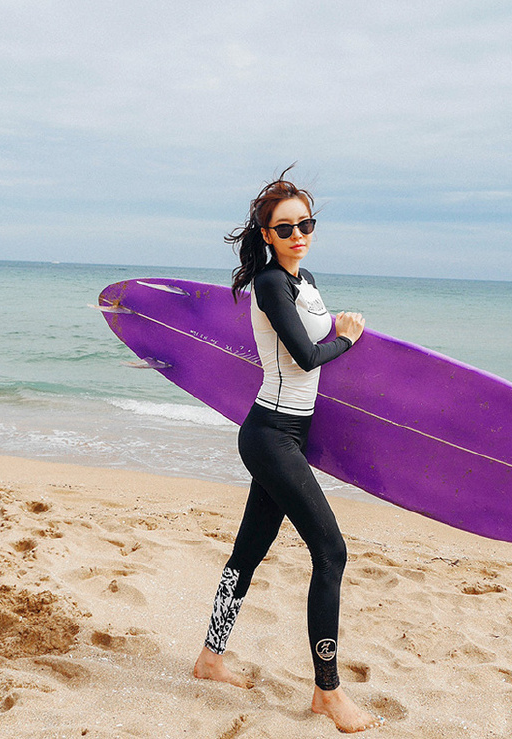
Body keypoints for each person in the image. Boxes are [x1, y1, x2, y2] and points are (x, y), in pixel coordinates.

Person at [193, 168, 384, 733]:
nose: (298, 234)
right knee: (332, 552)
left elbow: (308, 335)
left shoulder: (305, 280)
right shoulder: (272, 284)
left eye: (306, 223)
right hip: (270, 434)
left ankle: (210, 658)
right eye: (286, 227)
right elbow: (303, 357)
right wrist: (345, 340)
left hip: (292, 433)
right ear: (266, 233)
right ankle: (327, 693)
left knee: (247, 552)